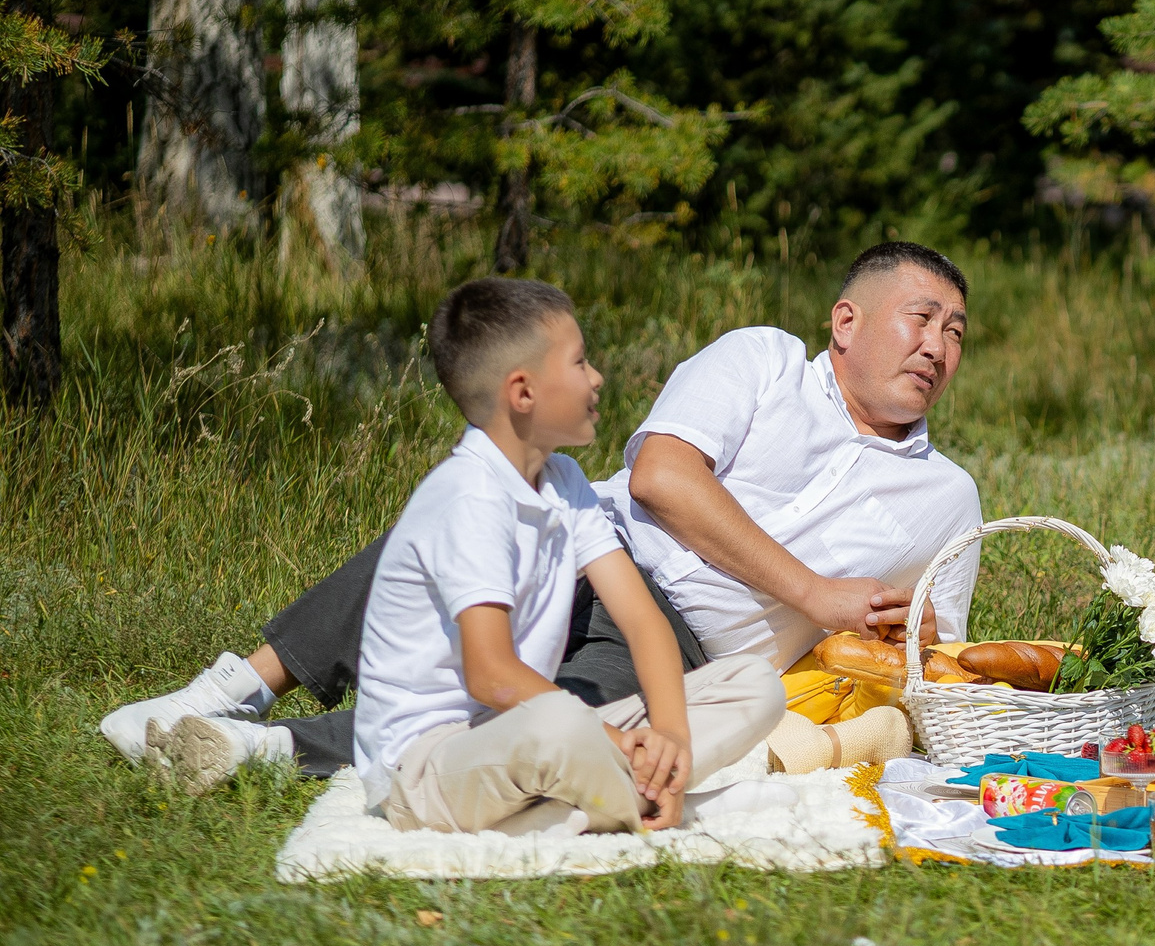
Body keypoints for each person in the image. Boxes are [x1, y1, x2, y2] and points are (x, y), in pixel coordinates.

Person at [102, 241, 983, 793]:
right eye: (922, 318)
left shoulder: (948, 497)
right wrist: (816, 592)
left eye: (956, 332)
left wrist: (911, 632)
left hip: (689, 648)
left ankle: (253, 750)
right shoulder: (761, 361)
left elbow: (934, 658)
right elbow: (661, 478)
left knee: (558, 718)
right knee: (451, 534)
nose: (938, 346)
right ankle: (233, 687)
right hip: (593, 537)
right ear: (845, 320)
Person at [362, 279, 778, 831]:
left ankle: (601, 801)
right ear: (523, 392)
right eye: (580, 362)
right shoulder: (470, 496)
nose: (597, 377)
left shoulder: (563, 480)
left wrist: (670, 738)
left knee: (753, 683)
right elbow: (492, 676)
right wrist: (614, 741)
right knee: (557, 724)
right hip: (424, 770)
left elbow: (643, 620)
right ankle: (635, 803)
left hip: (529, 735)